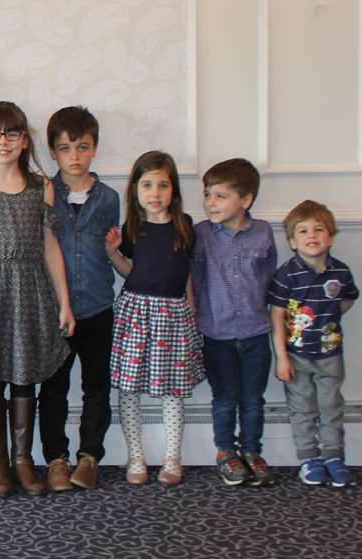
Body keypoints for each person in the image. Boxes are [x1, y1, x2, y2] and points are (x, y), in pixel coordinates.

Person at [0, 101, 74, 498]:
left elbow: (51, 247)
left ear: (25, 140)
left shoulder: (43, 188)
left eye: (11, 133)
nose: (2, 141)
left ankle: (23, 460)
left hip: (30, 289)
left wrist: (64, 302)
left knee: (24, 374)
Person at [105, 150, 201, 487]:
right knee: (130, 388)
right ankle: (136, 457)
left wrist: (191, 306)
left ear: (173, 189)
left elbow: (187, 272)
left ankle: (173, 458)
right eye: (147, 185)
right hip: (137, 314)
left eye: (163, 185)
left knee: (172, 390)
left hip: (174, 316)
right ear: (135, 189)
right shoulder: (132, 228)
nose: (155, 193)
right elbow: (129, 272)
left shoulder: (185, 226)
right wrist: (113, 253)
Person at [39, 106, 121, 492]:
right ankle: (56, 458)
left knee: (96, 386)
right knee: (52, 387)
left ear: (95, 149)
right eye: (65, 147)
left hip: (97, 307)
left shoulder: (109, 199)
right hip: (54, 311)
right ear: (53, 152)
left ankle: (89, 457)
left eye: (82, 147)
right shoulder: (43, 194)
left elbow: (115, 251)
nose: (74, 155)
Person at [192, 158, 277, 487]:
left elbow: (268, 275)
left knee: (253, 398)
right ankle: (226, 452)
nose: (210, 203)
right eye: (207, 195)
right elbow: (195, 278)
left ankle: (252, 451)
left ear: (246, 200)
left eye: (220, 196)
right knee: (225, 397)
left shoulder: (263, 233)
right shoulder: (202, 235)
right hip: (218, 333)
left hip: (256, 331)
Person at [268, 199, 359, 488]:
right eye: (303, 231)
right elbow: (276, 317)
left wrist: (328, 320)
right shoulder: (286, 275)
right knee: (303, 408)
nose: (312, 236)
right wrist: (281, 358)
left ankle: (334, 456)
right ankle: (309, 458)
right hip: (296, 356)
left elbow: (347, 300)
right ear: (293, 241)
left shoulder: (340, 272)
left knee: (331, 405)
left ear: (330, 236)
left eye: (319, 229)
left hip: (330, 354)